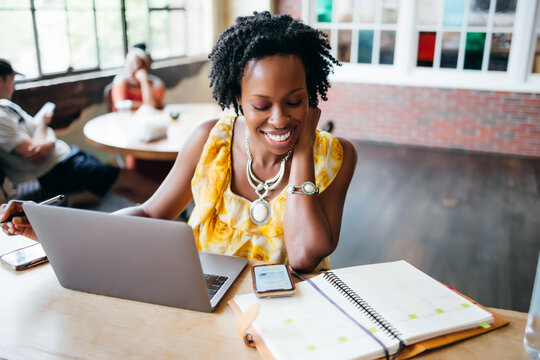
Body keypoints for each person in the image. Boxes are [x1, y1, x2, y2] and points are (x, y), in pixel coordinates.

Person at [1, 12, 357, 272]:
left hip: (294, 320)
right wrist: (58, 228)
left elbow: (304, 255)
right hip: (208, 305)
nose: (279, 119)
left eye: (294, 101)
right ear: (237, 100)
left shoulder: (337, 157)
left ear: (311, 96)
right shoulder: (209, 139)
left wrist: (305, 149)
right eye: (261, 105)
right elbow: (151, 213)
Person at [0, 58, 158, 209]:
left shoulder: (6, 105)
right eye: (11, 78)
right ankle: (177, 211)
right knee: (128, 177)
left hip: (64, 157)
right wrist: (45, 128)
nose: (14, 83)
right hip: (51, 172)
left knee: (116, 183)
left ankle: (161, 212)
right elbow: (36, 151)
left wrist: (45, 135)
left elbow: (36, 129)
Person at [111, 45, 165, 111]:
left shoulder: (156, 83)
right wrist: (146, 105)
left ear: (145, 66)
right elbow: (121, 106)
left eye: (135, 63)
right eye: (129, 63)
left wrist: (144, 81)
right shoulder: (120, 80)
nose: (131, 67)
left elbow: (153, 105)